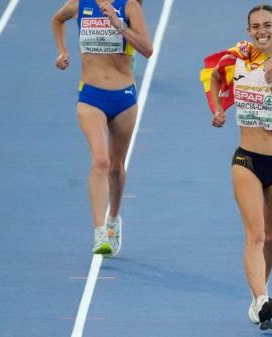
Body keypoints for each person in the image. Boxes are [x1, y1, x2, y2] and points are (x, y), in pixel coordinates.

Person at [208, 4, 272, 330]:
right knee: (255, 234)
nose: (262, 31)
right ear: (249, 30)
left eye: (268, 25)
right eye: (256, 26)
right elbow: (214, 79)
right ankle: (262, 298)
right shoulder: (236, 60)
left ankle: (259, 295)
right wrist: (218, 109)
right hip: (246, 158)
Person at [52, 0, 152, 256]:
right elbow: (57, 19)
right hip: (90, 96)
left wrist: (120, 27)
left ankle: (113, 220)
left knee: (116, 168)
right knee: (101, 160)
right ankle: (99, 233)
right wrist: (62, 52)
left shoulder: (129, 7)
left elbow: (147, 49)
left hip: (124, 98)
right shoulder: (79, 4)